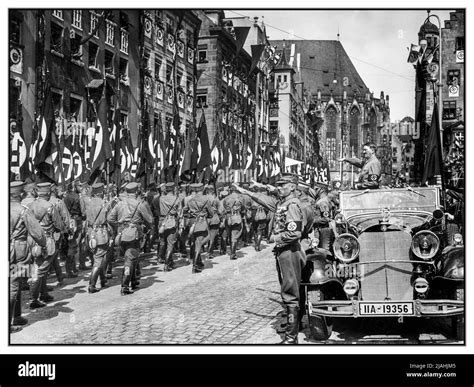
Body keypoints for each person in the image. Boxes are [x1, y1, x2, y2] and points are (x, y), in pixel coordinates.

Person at [10, 181, 46, 332]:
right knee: (13, 285)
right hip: (19, 250)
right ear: (21, 194)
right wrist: (43, 243)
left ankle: (16, 315)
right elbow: (37, 233)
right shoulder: (23, 210)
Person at [107, 182, 154, 295]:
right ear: (137, 191)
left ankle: (133, 280)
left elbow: (109, 219)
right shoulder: (140, 204)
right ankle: (125, 285)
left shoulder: (119, 204)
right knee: (129, 260)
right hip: (134, 234)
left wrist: (120, 224)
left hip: (122, 234)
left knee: (131, 257)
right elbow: (150, 220)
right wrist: (144, 227)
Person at [27, 182, 68, 308]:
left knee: (39, 266)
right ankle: (33, 299)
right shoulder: (50, 206)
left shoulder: (29, 205)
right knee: (41, 269)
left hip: (32, 240)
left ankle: (43, 293)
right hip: (46, 241)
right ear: (49, 193)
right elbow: (59, 224)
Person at [84, 183, 110, 293]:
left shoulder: (87, 203)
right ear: (100, 192)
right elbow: (109, 219)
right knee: (99, 258)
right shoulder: (104, 203)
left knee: (97, 256)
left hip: (90, 232)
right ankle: (92, 284)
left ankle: (103, 279)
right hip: (101, 232)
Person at [184, 183, 214, 273]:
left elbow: (185, 211)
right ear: (202, 189)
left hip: (193, 223)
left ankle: (198, 262)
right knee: (200, 243)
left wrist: (191, 215)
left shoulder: (190, 200)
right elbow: (211, 213)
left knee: (195, 242)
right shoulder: (206, 200)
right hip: (202, 222)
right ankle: (195, 266)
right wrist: (205, 215)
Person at [63, 180, 86, 277]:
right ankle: (70, 269)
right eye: (79, 186)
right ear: (74, 187)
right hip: (77, 221)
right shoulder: (78, 197)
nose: (81, 188)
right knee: (74, 245)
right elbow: (83, 212)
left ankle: (72, 268)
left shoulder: (66, 197)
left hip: (69, 222)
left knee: (71, 245)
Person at [157, 182, 181, 271]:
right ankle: (167, 263)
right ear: (174, 189)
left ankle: (162, 257)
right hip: (172, 221)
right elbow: (179, 212)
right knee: (170, 243)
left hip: (162, 221)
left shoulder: (161, 198)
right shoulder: (176, 199)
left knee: (163, 241)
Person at [220, 184, 244, 260]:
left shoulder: (225, 199)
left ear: (230, 191)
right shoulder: (240, 198)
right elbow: (243, 209)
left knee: (227, 234)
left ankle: (223, 250)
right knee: (234, 236)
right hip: (237, 217)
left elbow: (221, 211)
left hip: (228, 218)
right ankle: (233, 254)